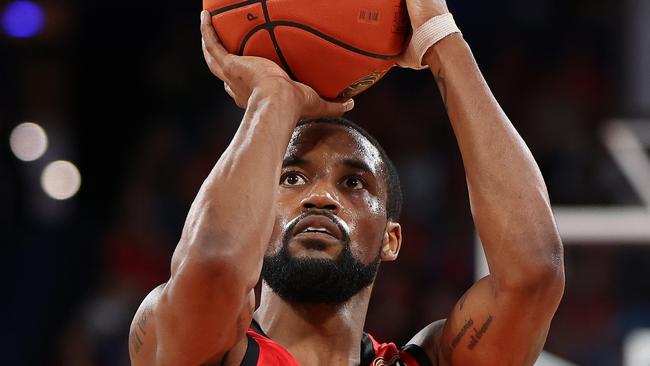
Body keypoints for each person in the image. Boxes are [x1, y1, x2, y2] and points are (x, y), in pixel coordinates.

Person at [128, 0, 565, 363]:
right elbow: (213, 266)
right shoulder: (202, 349)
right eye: (293, 177)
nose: (320, 197)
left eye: (354, 184)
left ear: (392, 239)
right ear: (257, 219)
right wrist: (274, 97)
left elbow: (533, 275)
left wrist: (441, 39)